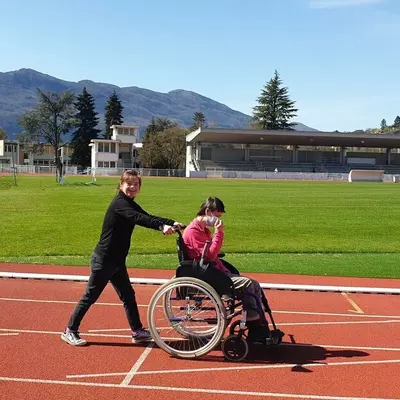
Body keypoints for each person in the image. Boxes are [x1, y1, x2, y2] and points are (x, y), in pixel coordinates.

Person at [61, 170, 183, 346]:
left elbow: (147, 216)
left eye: (136, 184)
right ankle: (69, 330)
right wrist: (160, 227)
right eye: (129, 184)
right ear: (121, 185)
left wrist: (171, 222)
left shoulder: (129, 203)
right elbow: (138, 218)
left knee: (128, 295)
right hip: (104, 260)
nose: (132, 187)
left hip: (117, 261)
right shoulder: (120, 204)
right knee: (90, 296)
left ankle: (137, 331)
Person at [182, 197, 273, 343]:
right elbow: (210, 256)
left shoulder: (202, 230)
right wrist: (219, 232)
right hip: (208, 275)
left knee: (254, 284)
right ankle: (255, 326)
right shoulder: (193, 232)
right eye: (217, 216)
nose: (219, 220)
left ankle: (258, 323)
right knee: (248, 284)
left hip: (213, 271)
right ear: (208, 212)